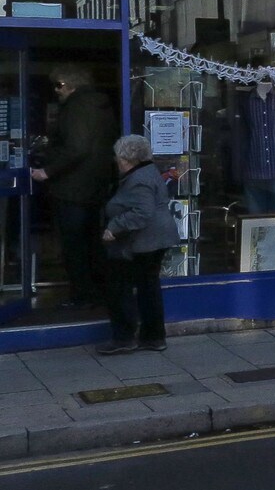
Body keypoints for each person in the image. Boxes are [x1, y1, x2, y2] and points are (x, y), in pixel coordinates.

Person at [28, 64, 118, 308]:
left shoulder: (77, 107)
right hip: (94, 186)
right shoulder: (100, 106)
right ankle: (99, 293)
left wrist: (47, 171)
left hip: (72, 188)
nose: (56, 90)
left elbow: (77, 148)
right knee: (91, 243)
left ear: (72, 84)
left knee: (74, 246)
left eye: (59, 85)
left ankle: (82, 296)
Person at [99, 135, 179, 354]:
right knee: (148, 286)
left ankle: (124, 338)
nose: (116, 160)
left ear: (126, 159)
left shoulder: (139, 179)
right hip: (154, 238)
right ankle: (153, 337)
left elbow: (143, 212)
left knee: (120, 286)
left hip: (144, 241)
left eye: (118, 156)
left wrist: (114, 227)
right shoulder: (147, 171)